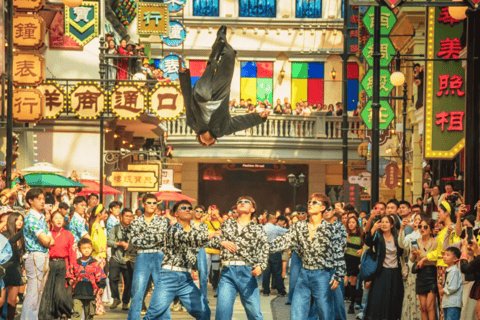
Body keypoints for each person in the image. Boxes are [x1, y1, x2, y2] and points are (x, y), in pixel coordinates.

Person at [178, 26, 269, 147]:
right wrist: (259, 118)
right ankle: (221, 40)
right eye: (211, 143)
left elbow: (187, 99)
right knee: (230, 54)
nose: (208, 144)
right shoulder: (223, 129)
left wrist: (183, 76)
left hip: (201, 98)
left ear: (200, 140)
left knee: (204, 90)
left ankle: (214, 57)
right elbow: (241, 122)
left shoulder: (193, 124)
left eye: (205, 144)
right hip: (220, 96)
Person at [270, 193, 345, 319]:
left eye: (314, 202)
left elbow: (338, 253)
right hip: (304, 274)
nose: (310, 204)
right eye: (309, 202)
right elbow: (282, 242)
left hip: (322, 275)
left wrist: (338, 275)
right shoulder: (299, 226)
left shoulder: (330, 229)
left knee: (325, 314)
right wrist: (258, 247)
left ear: (323, 208)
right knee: (297, 312)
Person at [207, 196, 269, 320]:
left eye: (247, 202)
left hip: (247, 272)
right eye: (239, 202)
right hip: (227, 272)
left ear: (252, 209)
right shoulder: (227, 224)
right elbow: (212, 240)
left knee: (255, 313)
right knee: (222, 313)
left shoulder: (258, 229)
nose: (242, 203)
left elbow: (264, 249)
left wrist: (261, 266)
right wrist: (222, 242)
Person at [154, 200, 216, 319]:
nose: (188, 209)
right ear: (176, 214)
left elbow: (208, 241)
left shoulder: (195, 231)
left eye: (189, 208)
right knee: (154, 314)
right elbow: (188, 238)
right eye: (183, 208)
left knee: (203, 312)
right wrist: (211, 235)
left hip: (185, 278)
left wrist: (222, 241)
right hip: (169, 276)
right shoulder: (172, 230)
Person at [126, 194, 169, 320]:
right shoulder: (136, 221)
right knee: (137, 291)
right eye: (149, 202)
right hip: (142, 256)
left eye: (154, 203)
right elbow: (133, 240)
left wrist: (143, 238)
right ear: (143, 204)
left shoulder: (161, 221)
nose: (152, 205)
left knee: (161, 290)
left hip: (158, 255)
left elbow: (161, 238)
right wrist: (150, 238)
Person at [418, 200, 461, 320]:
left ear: (447, 213)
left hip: (447, 267)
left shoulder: (451, 228)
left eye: (440, 211)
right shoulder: (442, 231)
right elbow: (438, 252)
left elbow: (452, 249)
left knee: (447, 299)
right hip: (441, 267)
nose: (438, 214)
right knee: (442, 302)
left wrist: (425, 258)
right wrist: (425, 258)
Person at [21, 188, 55, 320]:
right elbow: (46, 240)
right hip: (35, 255)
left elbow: (51, 241)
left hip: (43, 255)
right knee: (33, 293)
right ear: (30, 200)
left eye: (43, 199)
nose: (42, 201)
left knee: (39, 292)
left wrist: (48, 241)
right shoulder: (31, 218)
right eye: (39, 199)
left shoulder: (41, 218)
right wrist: (48, 241)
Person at [364, 215, 404, 320]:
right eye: (382, 222)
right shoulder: (378, 236)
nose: (384, 224)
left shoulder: (397, 237)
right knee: (379, 299)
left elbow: (402, 250)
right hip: (381, 272)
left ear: (392, 225)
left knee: (393, 299)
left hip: (395, 272)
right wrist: (372, 229)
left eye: (387, 222)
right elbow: (368, 242)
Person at [39, 211, 77, 320]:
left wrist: (73, 269)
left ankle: (64, 313)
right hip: (50, 264)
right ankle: (48, 316)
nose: (59, 220)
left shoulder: (69, 235)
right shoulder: (47, 234)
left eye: (61, 218)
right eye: (56, 218)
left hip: (63, 264)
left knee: (61, 292)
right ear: (51, 221)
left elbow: (72, 253)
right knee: (48, 291)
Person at [68, 238, 107, 320]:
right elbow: (69, 274)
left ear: (92, 249)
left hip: (90, 294)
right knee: (76, 313)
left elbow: (101, 276)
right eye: (84, 248)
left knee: (89, 315)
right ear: (79, 250)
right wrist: (69, 280)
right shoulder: (75, 263)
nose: (86, 250)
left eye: (89, 248)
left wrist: (102, 287)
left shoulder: (95, 264)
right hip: (77, 293)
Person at [107, 208, 134, 310]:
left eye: (130, 216)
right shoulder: (115, 228)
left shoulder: (134, 229)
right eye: (126, 216)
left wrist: (129, 245)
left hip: (128, 259)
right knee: (112, 278)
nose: (128, 218)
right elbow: (109, 241)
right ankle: (116, 298)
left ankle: (125, 302)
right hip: (116, 258)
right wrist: (118, 243)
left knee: (128, 282)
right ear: (121, 216)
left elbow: (138, 242)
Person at [411, 217, 438, 320]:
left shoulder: (435, 241)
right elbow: (412, 259)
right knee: (422, 307)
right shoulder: (416, 241)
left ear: (430, 228)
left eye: (425, 227)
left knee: (430, 306)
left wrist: (421, 254)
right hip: (420, 273)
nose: (422, 229)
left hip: (432, 273)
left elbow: (434, 259)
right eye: (420, 226)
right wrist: (414, 255)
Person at [2, 212, 24, 320]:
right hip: (4, 270)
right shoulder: (5, 234)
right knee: (1, 301)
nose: (20, 222)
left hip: (16, 270)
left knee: (12, 301)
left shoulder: (22, 237)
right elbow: (10, 241)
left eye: (21, 220)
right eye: (17, 220)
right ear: (12, 221)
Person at [262, 212, 288, 297]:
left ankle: (266, 290)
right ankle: (281, 290)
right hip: (275, 251)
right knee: (277, 272)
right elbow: (288, 232)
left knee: (266, 272)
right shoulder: (276, 228)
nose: (276, 220)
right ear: (272, 218)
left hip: (265, 252)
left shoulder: (262, 228)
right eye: (275, 218)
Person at [344, 216, 363, 314]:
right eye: (349, 222)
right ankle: (342, 300)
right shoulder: (345, 234)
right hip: (346, 259)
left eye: (353, 222)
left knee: (354, 282)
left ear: (357, 224)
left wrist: (362, 250)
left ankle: (352, 304)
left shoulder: (361, 235)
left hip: (356, 260)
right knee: (345, 280)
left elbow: (364, 246)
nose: (351, 224)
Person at [438, 247, 463, 320]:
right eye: (444, 255)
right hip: (448, 303)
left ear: (455, 259)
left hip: (453, 304)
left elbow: (452, 287)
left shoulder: (454, 271)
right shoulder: (449, 270)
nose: (444, 257)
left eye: (447, 255)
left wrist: (441, 291)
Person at [191, 205, 209, 302]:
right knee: (186, 273)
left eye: (200, 212)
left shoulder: (204, 225)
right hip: (189, 249)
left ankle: (203, 297)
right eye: (197, 211)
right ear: (194, 212)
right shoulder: (189, 223)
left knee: (203, 274)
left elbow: (205, 240)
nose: (198, 213)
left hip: (201, 249)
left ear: (203, 214)